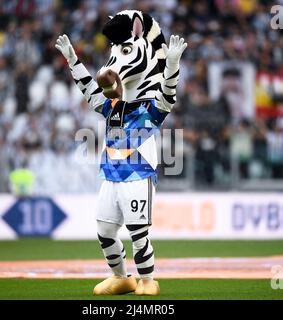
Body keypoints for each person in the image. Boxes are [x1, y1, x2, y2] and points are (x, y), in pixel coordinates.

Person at [55, 10, 186, 296]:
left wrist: (172, 64)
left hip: (138, 175)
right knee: (104, 231)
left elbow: (168, 95)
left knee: (138, 234)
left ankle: (148, 280)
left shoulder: (150, 109)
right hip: (110, 176)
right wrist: (72, 60)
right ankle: (120, 277)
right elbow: (89, 90)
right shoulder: (113, 107)